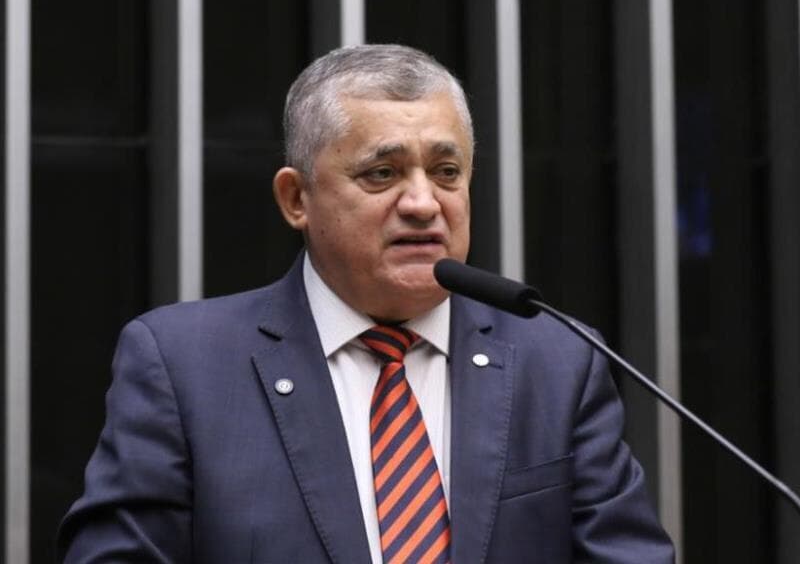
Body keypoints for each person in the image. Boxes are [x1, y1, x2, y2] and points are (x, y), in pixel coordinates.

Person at [58, 44, 674, 563]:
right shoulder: (183, 364)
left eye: (446, 172)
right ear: (296, 199)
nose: (423, 203)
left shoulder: (557, 360)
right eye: (382, 174)